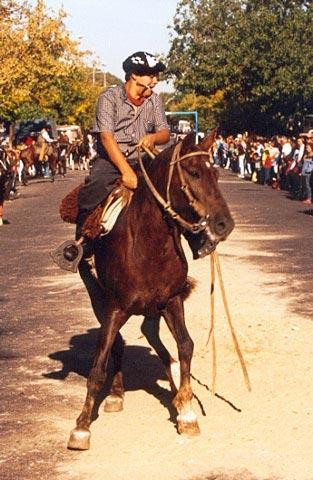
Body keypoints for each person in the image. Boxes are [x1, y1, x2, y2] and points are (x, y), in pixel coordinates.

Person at [56, 51, 171, 271]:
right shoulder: (109, 98)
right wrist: (126, 171)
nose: (155, 80)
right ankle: (82, 242)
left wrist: (153, 137)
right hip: (112, 158)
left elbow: (165, 132)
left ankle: (195, 236)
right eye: (151, 75)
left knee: (174, 184)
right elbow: (106, 137)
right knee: (95, 186)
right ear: (134, 75)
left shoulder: (155, 100)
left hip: (144, 157)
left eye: (156, 75)